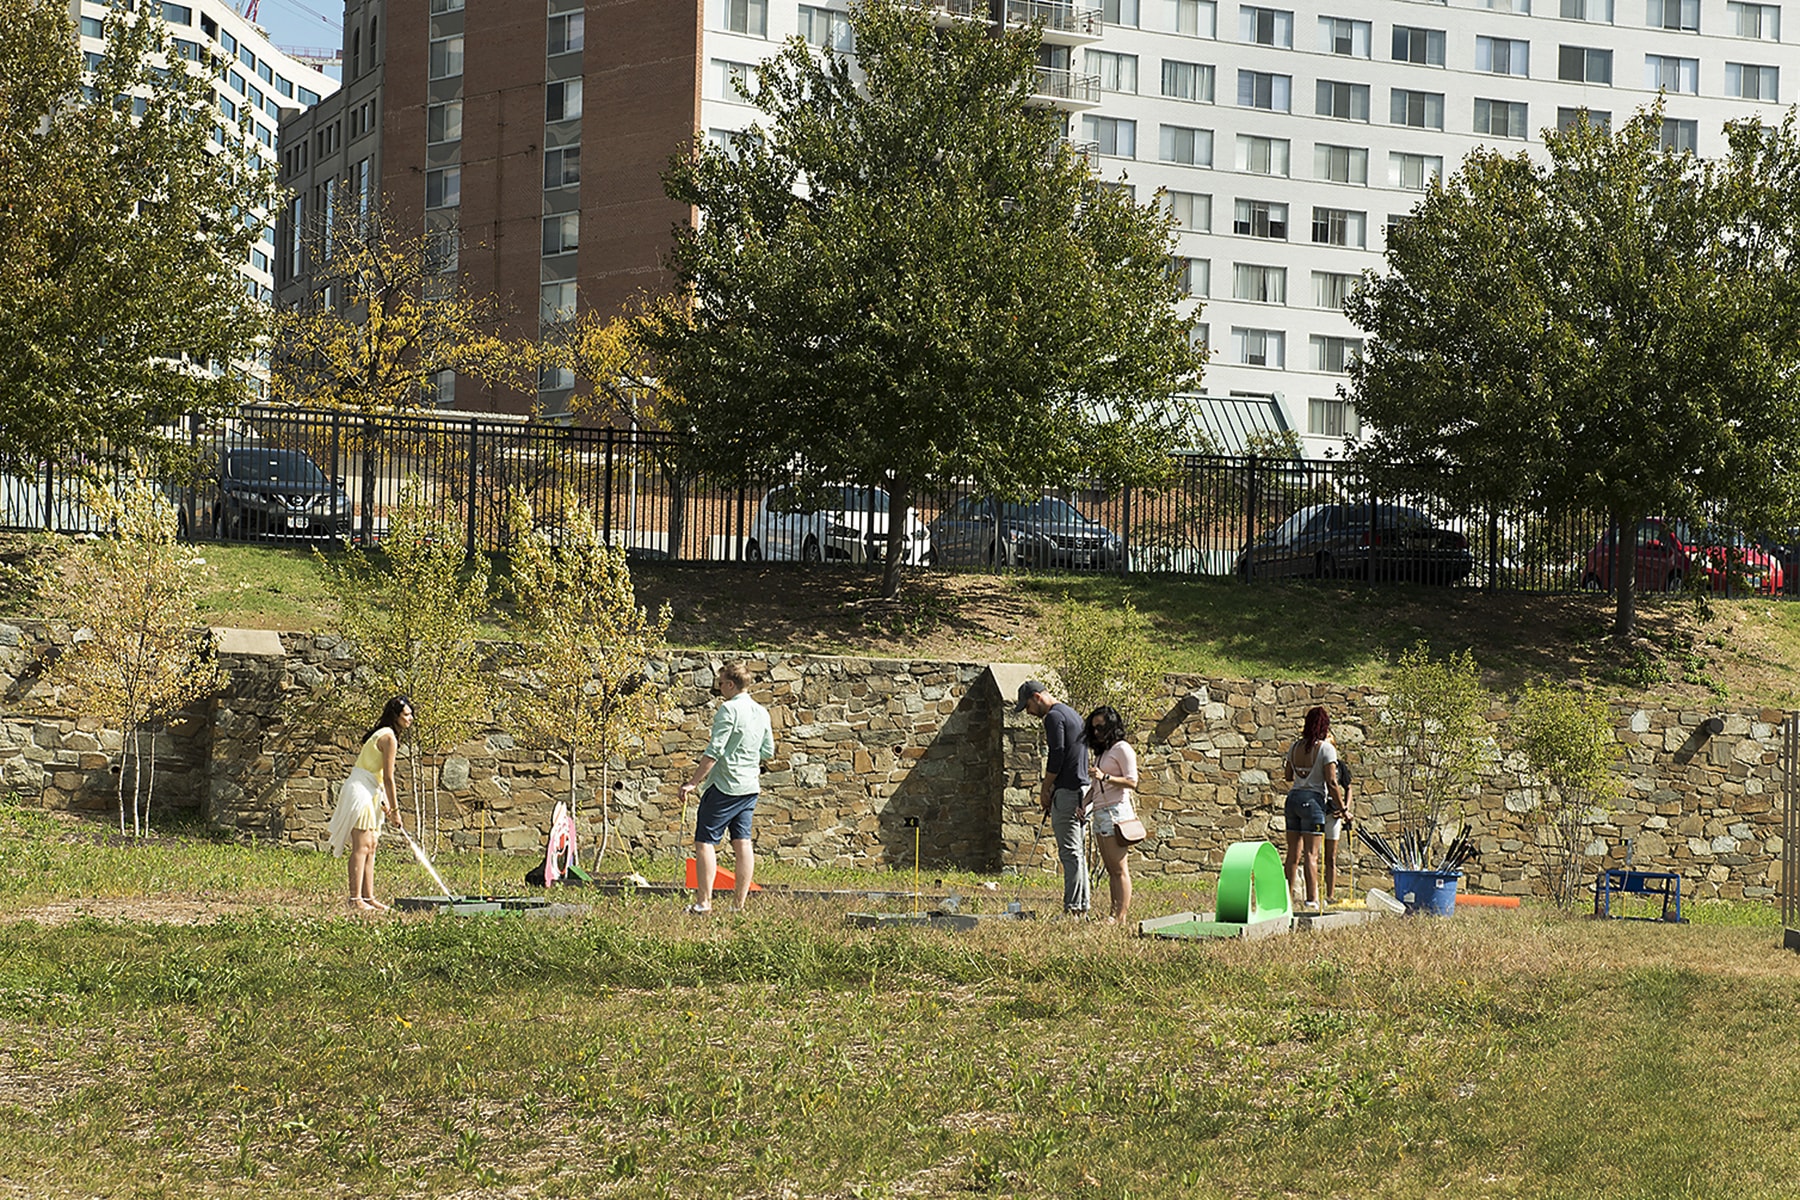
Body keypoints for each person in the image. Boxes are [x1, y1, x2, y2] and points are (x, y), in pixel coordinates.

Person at [679, 661, 774, 914]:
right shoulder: (762, 712)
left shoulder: (728, 710)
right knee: (742, 842)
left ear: (730, 685)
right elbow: (768, 751)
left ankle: (704, 903)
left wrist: (692, 783)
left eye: (720, 683)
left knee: (705, 842)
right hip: (749, 786)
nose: (718, 688)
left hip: (724, 785)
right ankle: (738, 906)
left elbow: (714, 751)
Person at [327, 696, 412, 912]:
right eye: (406, 715)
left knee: (372, 845)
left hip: (372, 790)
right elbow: (390, 777)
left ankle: (369, 897)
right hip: (361, 791)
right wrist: (395, 811)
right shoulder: (388, 737)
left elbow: (379, 776)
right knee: (362, 845)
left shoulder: (387, 734)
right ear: (396, 716)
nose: (410, 719)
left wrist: (383, 802)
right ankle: (355, 899)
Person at [1016, 680, 1089, 917]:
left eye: (1027, 705)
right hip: (1081, 790)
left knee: (1070, 853)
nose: (1028, 712)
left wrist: (1046, 789)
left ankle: (1074, 909)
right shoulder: (1072, 713)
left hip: (1068, 791)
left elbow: (1056, 755)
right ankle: (1080, 906)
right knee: (1077, 852)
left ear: (1037, 697)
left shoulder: (1053, 717)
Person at [1081, 705, 1139, 926]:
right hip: (1100, 812)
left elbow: (1132, 782)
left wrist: (1106, 777)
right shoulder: (1103, 752)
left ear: (1112, 725)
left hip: (1116, 812)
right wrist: (1083, 804)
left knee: (1119, 868)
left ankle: (1120, 916)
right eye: (1093, 728)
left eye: (1101, 727)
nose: (1096, 732)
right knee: (1111, 869)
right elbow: (1095, 786)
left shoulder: (1123, 749)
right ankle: (1113, 914)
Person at [1282, 705, 1343, 913]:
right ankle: (1311, 900)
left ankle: (1286, 898)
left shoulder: (1294, 747)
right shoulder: (1326, 749)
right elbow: (1332, 782)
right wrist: (1342, 807)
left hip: (1293, 798)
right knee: (1311, 854)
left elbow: (1288, 776)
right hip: (1314, 801)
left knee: (1292, 854)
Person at [1323, 757, 1353, 904]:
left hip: (1334, 814)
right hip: (1317, 811)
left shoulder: (1340, 765)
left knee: (1331, 857)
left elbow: (1348, 787)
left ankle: (1330, 895)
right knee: (1312, 854)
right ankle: (1313, 896)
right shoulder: (1316, 762)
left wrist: (1345, 808)